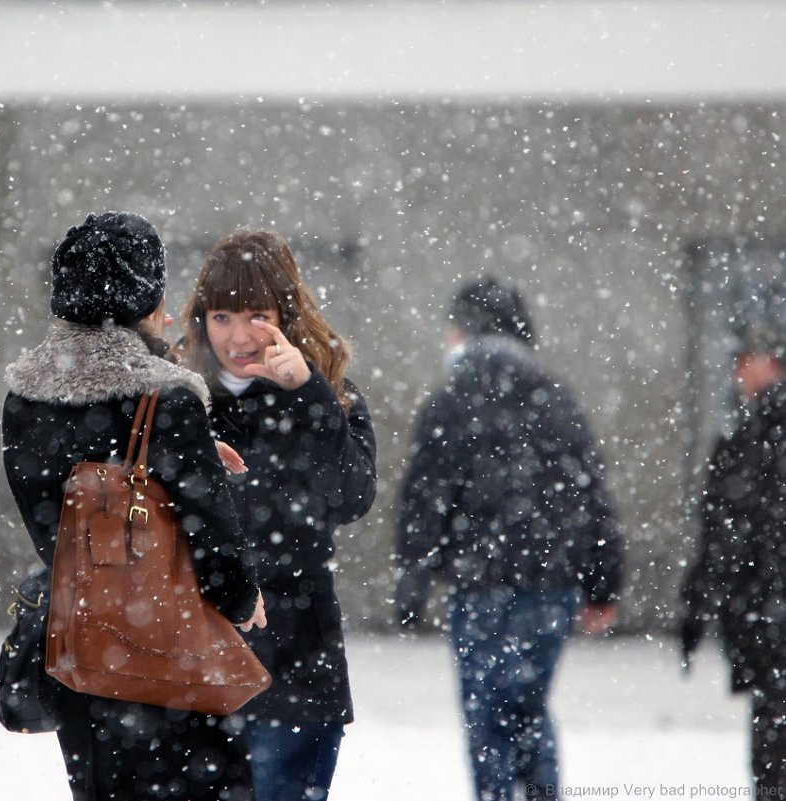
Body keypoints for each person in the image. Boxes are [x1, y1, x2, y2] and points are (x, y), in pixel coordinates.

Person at [2, 212, 267, 801]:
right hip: (163, 657)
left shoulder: (23, 397)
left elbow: (60, 520)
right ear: (143, 294)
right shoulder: (164, 395)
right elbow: (211, 534)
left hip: (81, 653)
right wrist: (242, 596)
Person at [395, 276, 623, 801]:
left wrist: (413, 583)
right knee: (530, 708)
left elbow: (425, 501)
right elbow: (592, 497)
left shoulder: (451, 400)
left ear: (464, 330)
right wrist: (603, 584)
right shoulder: (557, 398)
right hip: (551, 583)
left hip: (480, 586)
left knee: (485, 715)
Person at [177, 230, 378, 801]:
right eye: (221, 316)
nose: (239, 336)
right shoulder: (177, 399)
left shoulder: (327, 392)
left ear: (285, 316)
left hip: (295, 662)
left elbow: (351, 498)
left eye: (256, 315)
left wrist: (306, 394)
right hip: (190, 661)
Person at [680, 323, 786, 798]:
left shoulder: (749, 439)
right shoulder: (749, 437)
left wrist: (697, 606)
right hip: (767, 611)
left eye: (746, 361)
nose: (739, 374)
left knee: (772, 744)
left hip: (767, 617)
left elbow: (724, 534)